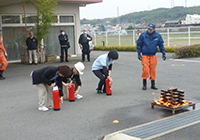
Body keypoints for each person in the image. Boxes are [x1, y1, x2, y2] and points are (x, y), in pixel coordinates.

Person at [137, 22, 166, 90]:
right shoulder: (143, 35)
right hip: (145, 54)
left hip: (153, 55)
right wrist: (139, 53)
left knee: (153, 70)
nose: (150, 30)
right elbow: (139, 45)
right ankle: (144, 84)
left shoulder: (157, 36)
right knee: (145, 69)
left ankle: (153, 84)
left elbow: (161, 45)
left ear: (154, 29)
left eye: (151, 29)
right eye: (149, 29)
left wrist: (163, 53)